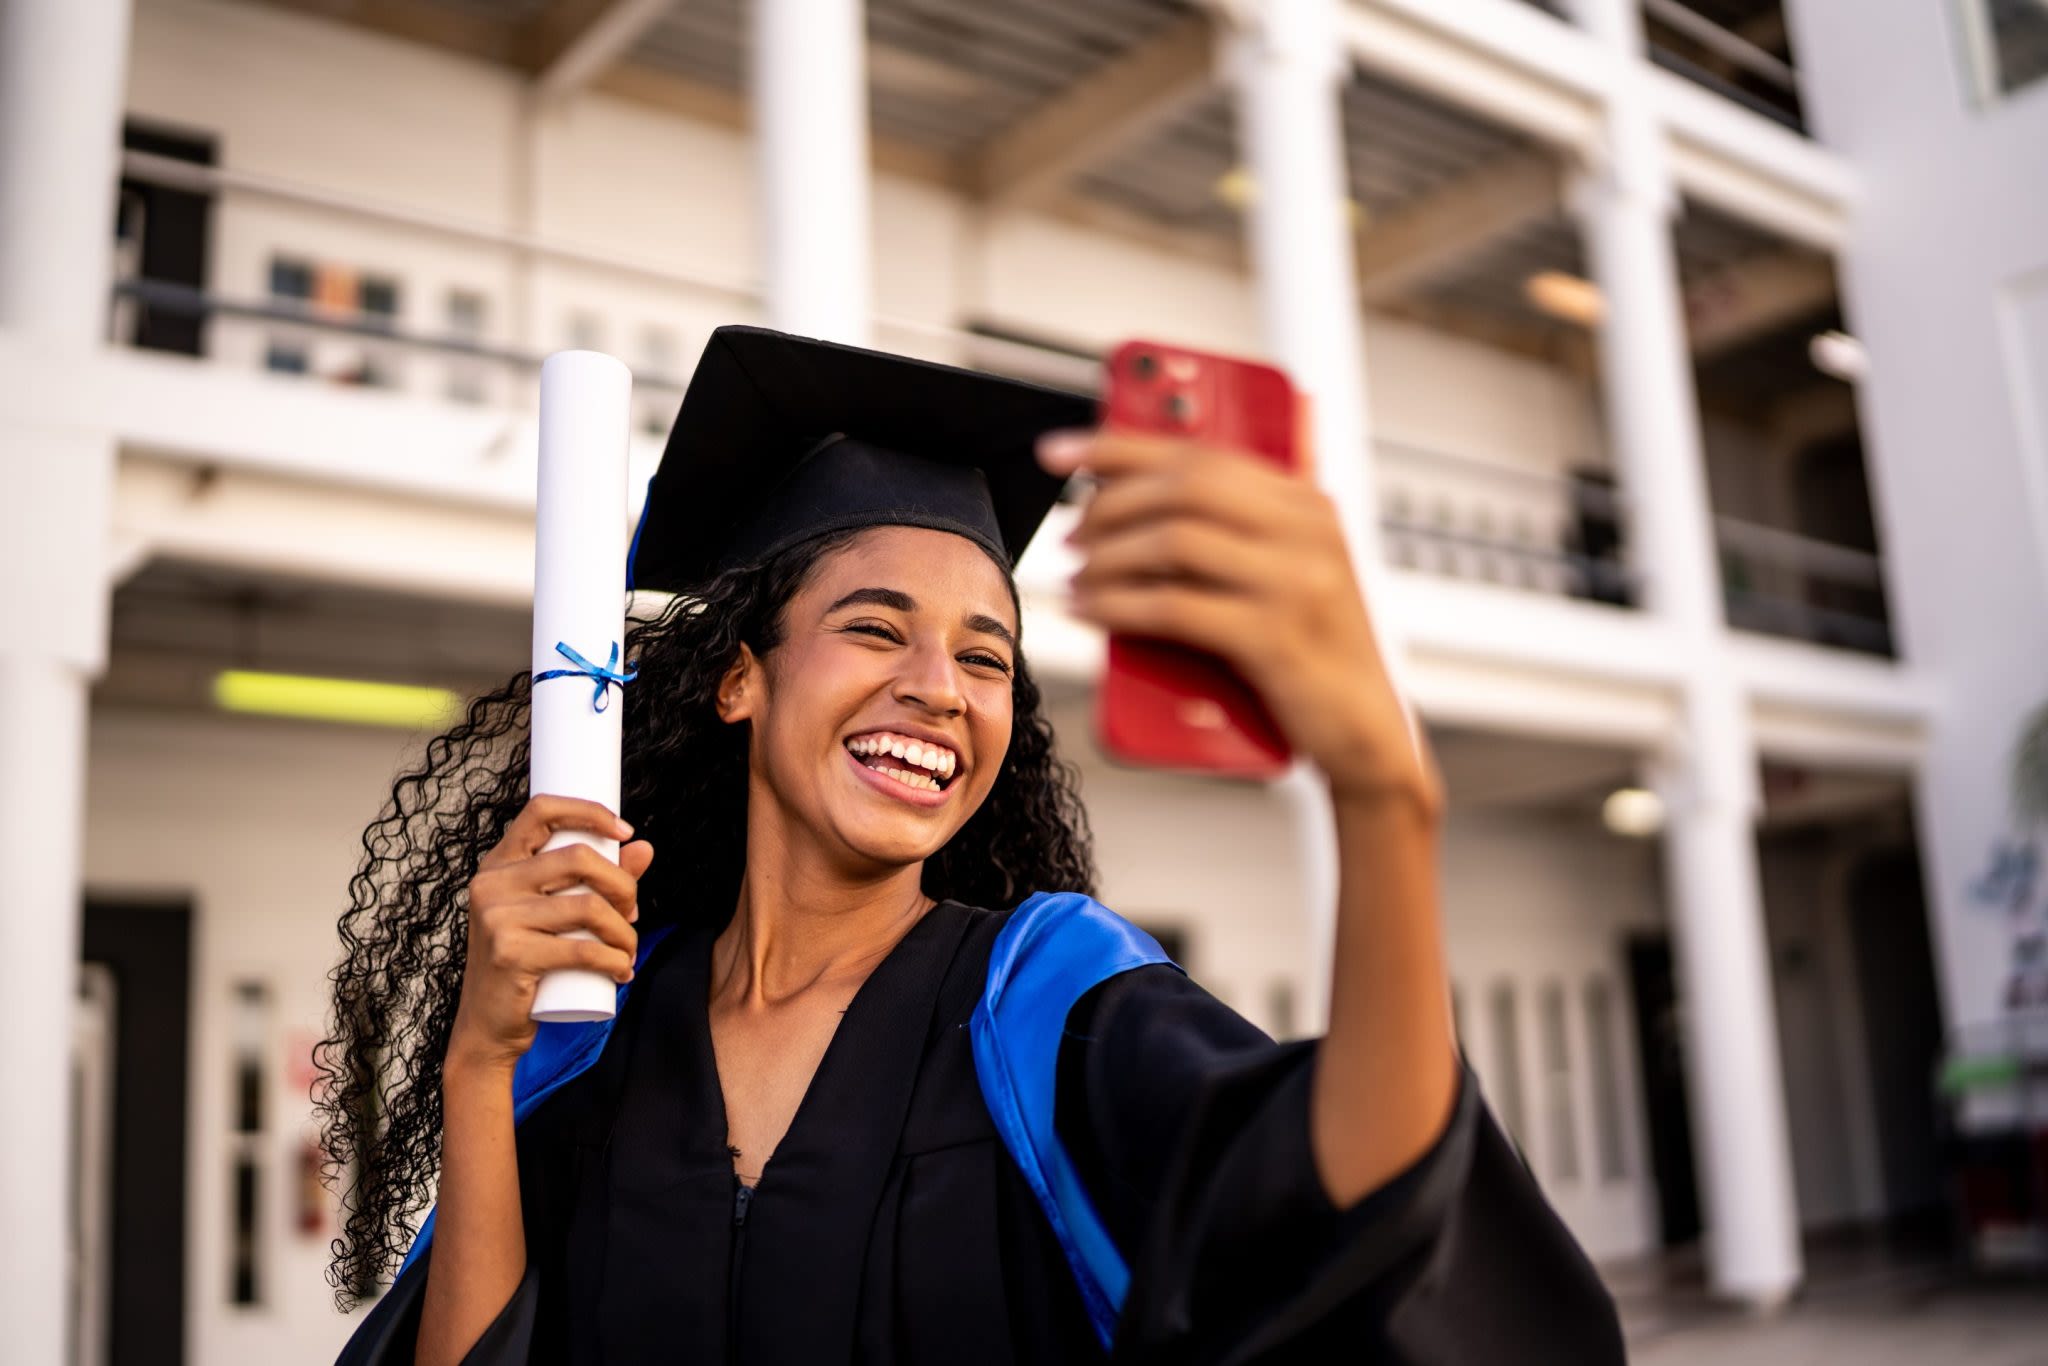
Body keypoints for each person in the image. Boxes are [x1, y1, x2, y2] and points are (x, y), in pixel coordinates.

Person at [322, 326, 1624, 1364]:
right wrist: (480, 1067)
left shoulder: (1039, 1004)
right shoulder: (597, 1019)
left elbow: (1340, 1206)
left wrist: (1384, 795)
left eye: (986, 655)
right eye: (878, 630)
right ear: (740, 681)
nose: (940, 686)